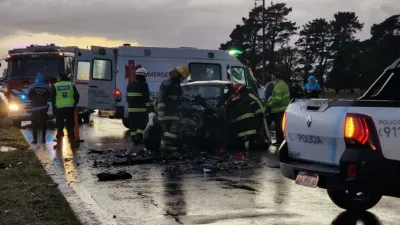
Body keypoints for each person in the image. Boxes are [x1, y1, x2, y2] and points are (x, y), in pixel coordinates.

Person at [157, 65, 190, 158]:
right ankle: (167, 148)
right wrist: (161, 112)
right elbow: (162, 99)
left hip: (172, 112)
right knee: (172, 131)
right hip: (169, 113)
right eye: (182, 77)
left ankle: (165, 149)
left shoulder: (175, 85)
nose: (182, 79)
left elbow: (180, 98)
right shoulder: (169, 84)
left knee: (168, 131)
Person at [225, 83, 266, 151]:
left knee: (239, 144)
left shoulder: (245, 96)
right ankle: (259, 143)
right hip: (252, 123)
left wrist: (262, 112)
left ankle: (257, 144)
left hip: (248, 127)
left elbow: (257, 101)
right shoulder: (243, 97)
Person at [125, 68, 152, 155]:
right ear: (144, 76)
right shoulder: (144, 85)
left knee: (133, 125)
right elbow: (146, 98)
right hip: (141, 109)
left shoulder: (130, 84)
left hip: (131, 109)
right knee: (141, 123)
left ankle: (133, 138)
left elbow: (128, 97)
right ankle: (138, 138)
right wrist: (150, 108)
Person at [51, 72, 80, 148]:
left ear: (59, 78)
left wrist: (54, 108)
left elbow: (52, 98)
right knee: (70, 125)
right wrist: (74, 104)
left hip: (59, 109)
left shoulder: (55, 86)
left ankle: (59, 143)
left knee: (59, 125)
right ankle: (72, 142)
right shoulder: (71, 85)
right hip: (70, 108)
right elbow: (77, 96)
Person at [265, 72, 290, 146]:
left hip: (279, 109)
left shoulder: (279, 86)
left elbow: (277, 99)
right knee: (277, 125)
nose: (272, 79)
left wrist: (268, 104)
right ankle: (279, 140)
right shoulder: (280, 84)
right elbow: (273, 96)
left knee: (278, 126)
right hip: (278, 109)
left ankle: (280, 141)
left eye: (273, 78)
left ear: (277, 78)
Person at [27, 74, 51, 144]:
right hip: (44, 108)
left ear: (36, 80)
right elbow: (49, 96)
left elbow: (28, 96)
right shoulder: (46, 87)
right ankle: (43, 139)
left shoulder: (32, 87)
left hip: (35, 108)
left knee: (34, 124)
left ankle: (35, 140)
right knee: (44, 124)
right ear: (42, 80)